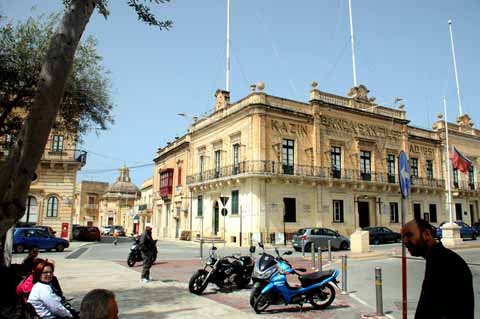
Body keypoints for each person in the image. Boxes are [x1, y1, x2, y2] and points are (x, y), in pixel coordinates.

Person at [401, 219, 474, 319]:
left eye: (409, 235)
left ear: (427, 234)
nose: (404, 241)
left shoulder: (446, 262)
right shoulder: (435, 259)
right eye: (403, 237)